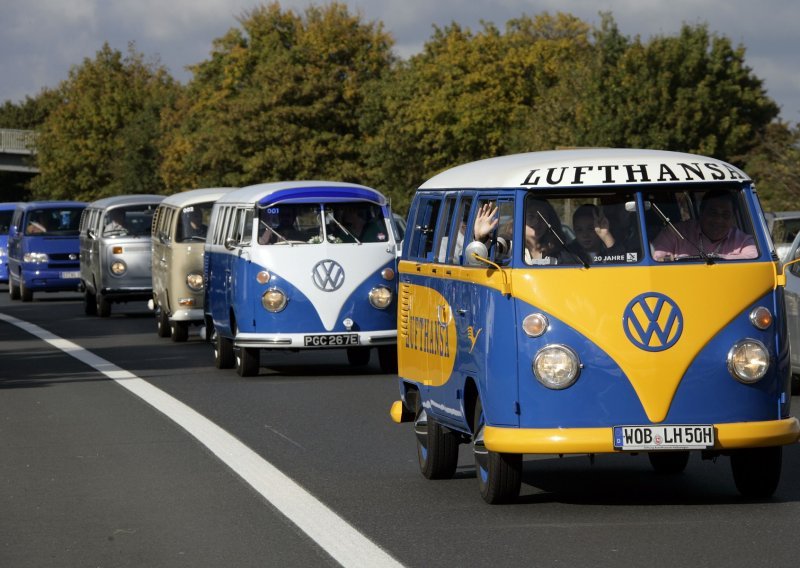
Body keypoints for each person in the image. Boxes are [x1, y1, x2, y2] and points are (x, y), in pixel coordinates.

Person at [651, 189, 758, 261]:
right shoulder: (674, 232)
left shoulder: (744, 241)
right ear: (701, 212)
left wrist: (718, 258)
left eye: (726, 215)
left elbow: (755, 258)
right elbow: (657, 258)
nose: (718, 220)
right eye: (713, 213)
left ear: (733, 218)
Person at [474, 198, 586, 265]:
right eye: (531, 216)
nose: (537, 221)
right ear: (520, 220)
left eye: (542, 217)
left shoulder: (559, 251)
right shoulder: (510, 246)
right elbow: (493, 250)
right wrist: (481, 237)